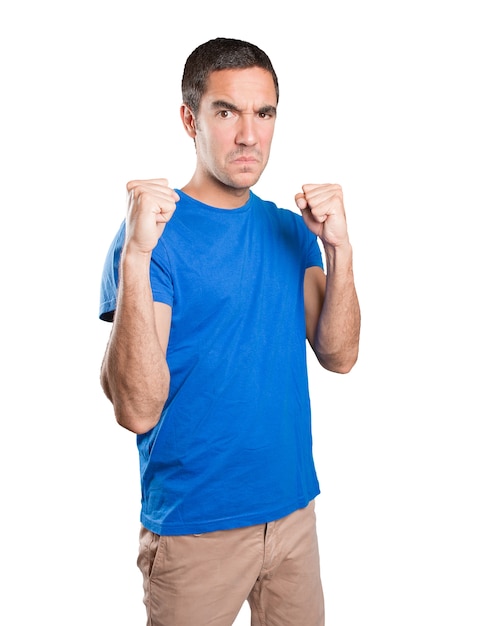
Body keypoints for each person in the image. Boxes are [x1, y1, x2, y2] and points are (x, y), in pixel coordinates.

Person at [99, 37, 360, 626]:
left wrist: (340, 249)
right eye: (227, 112)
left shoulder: (291, 233)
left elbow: (339, 355)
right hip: (196, 531)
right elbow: (137, 409)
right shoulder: (152, 237)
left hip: (293, 519)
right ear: (190, 119)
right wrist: (135, 260)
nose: (249, 135)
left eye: (263, 114)